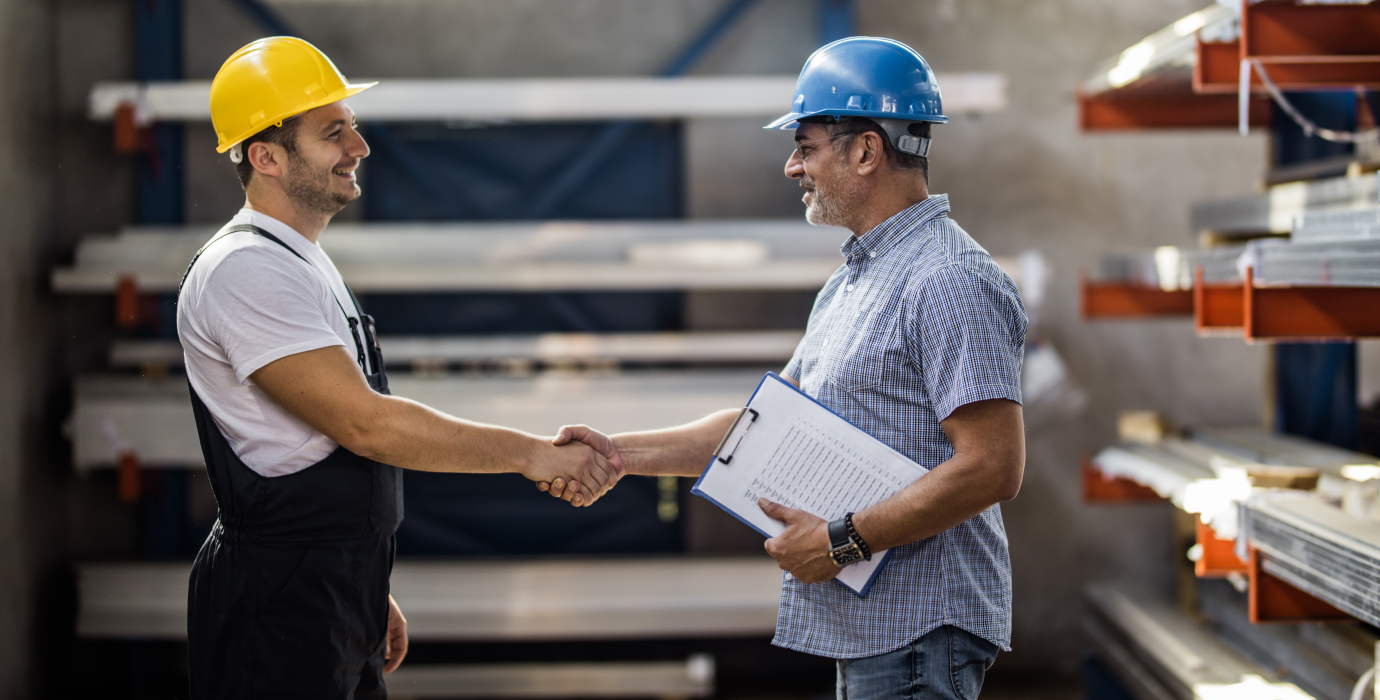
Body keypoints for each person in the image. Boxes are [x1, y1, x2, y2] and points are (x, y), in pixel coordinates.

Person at [545, 37, 1027, 699]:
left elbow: (992, 466)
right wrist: (617, 454)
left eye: (805, 146)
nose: (791, 168)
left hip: (918, 633)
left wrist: (842, 542)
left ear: (865, 151)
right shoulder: (856, 281)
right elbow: (759, 429)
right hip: (876, 632)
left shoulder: (946, 278)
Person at [179, 37, 615, 700]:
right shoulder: (244, 271)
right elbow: (366, 425)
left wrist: (363, 584)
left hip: (327, 591)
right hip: (277, 607)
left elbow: (309, 447)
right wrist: (532, 455)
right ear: (266, 156)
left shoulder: (296, 258)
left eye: (351, 126)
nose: (360, 146)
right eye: (333, 133)